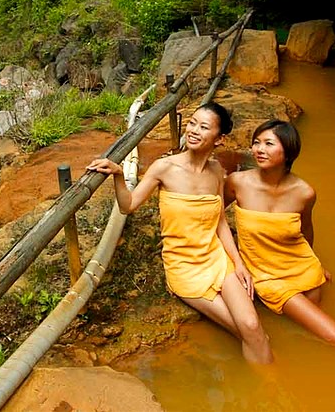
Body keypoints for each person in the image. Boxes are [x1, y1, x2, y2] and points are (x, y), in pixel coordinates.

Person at [87, 102, 274, 364]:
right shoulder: (164, 168)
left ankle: (271, 382)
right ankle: (271, 383)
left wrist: (239, 264)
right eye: (192, 123)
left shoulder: (216, 171)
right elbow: (128, 205)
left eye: (204, 127)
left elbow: (220, 222)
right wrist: (118, 174)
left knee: (252, 327)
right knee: (250, 334)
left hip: (217, 259)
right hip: (184, 266)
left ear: (219, 139)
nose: (194, 130)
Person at [225, 119, 335, 348]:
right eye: (256, 142)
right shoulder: (238, 182)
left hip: (303, 269)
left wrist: (316, 263)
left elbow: (306, 229)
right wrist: (233, 260)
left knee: (308, 337)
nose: (259, 149)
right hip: (267, 275)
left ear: (288, 152)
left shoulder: (304, 192)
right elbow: (214, 217)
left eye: (268, 144)